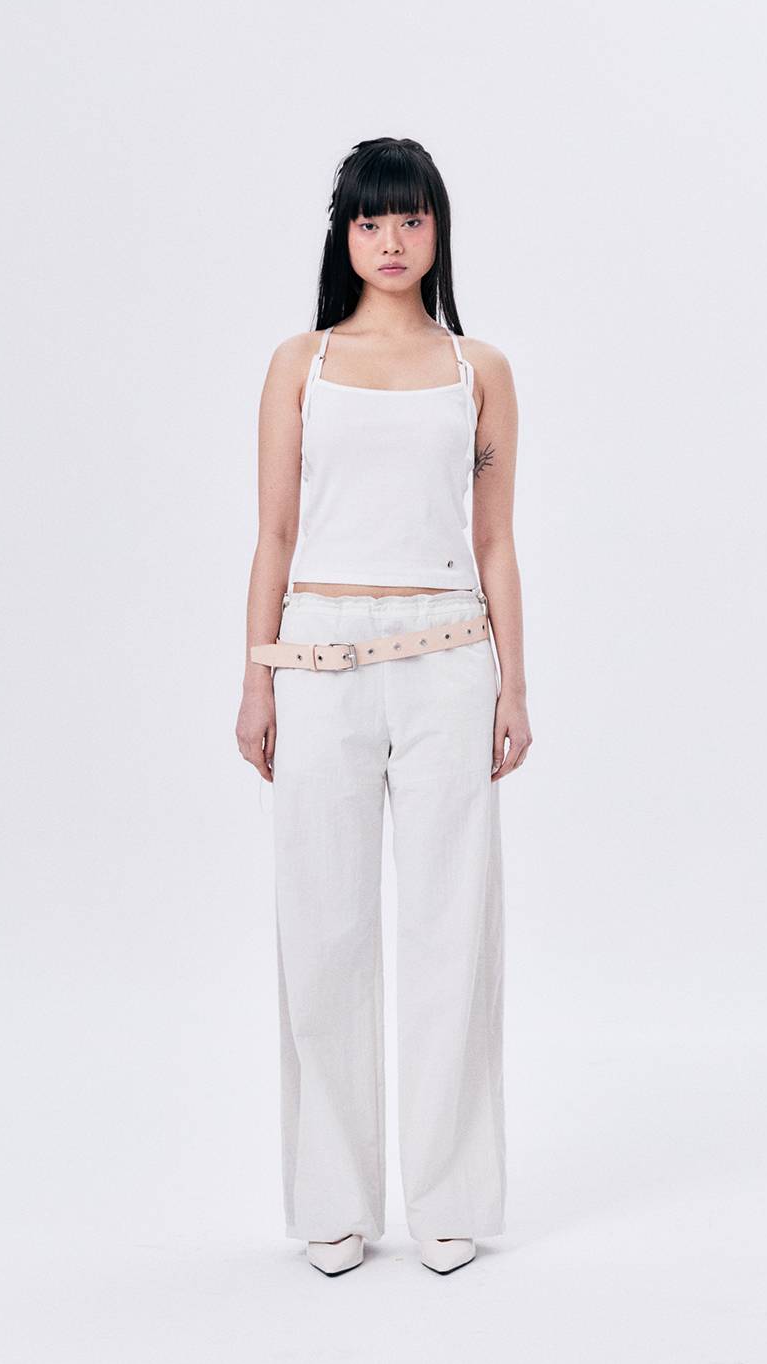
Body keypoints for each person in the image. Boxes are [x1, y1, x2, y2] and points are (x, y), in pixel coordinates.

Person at [235, 136, 532, 1276]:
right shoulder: (299, 363)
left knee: (454, 927)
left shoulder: (477, 368)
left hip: (450, 656)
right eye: (371, 221)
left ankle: (449, 1198)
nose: (393, 240)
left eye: (411, 219)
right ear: (344, 236)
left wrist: (515, 685)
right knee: (323, 928)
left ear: (438, 230)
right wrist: (256, 676)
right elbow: (273, 531)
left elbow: (495, 541)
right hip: (317, 658)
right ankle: (334, 1198)